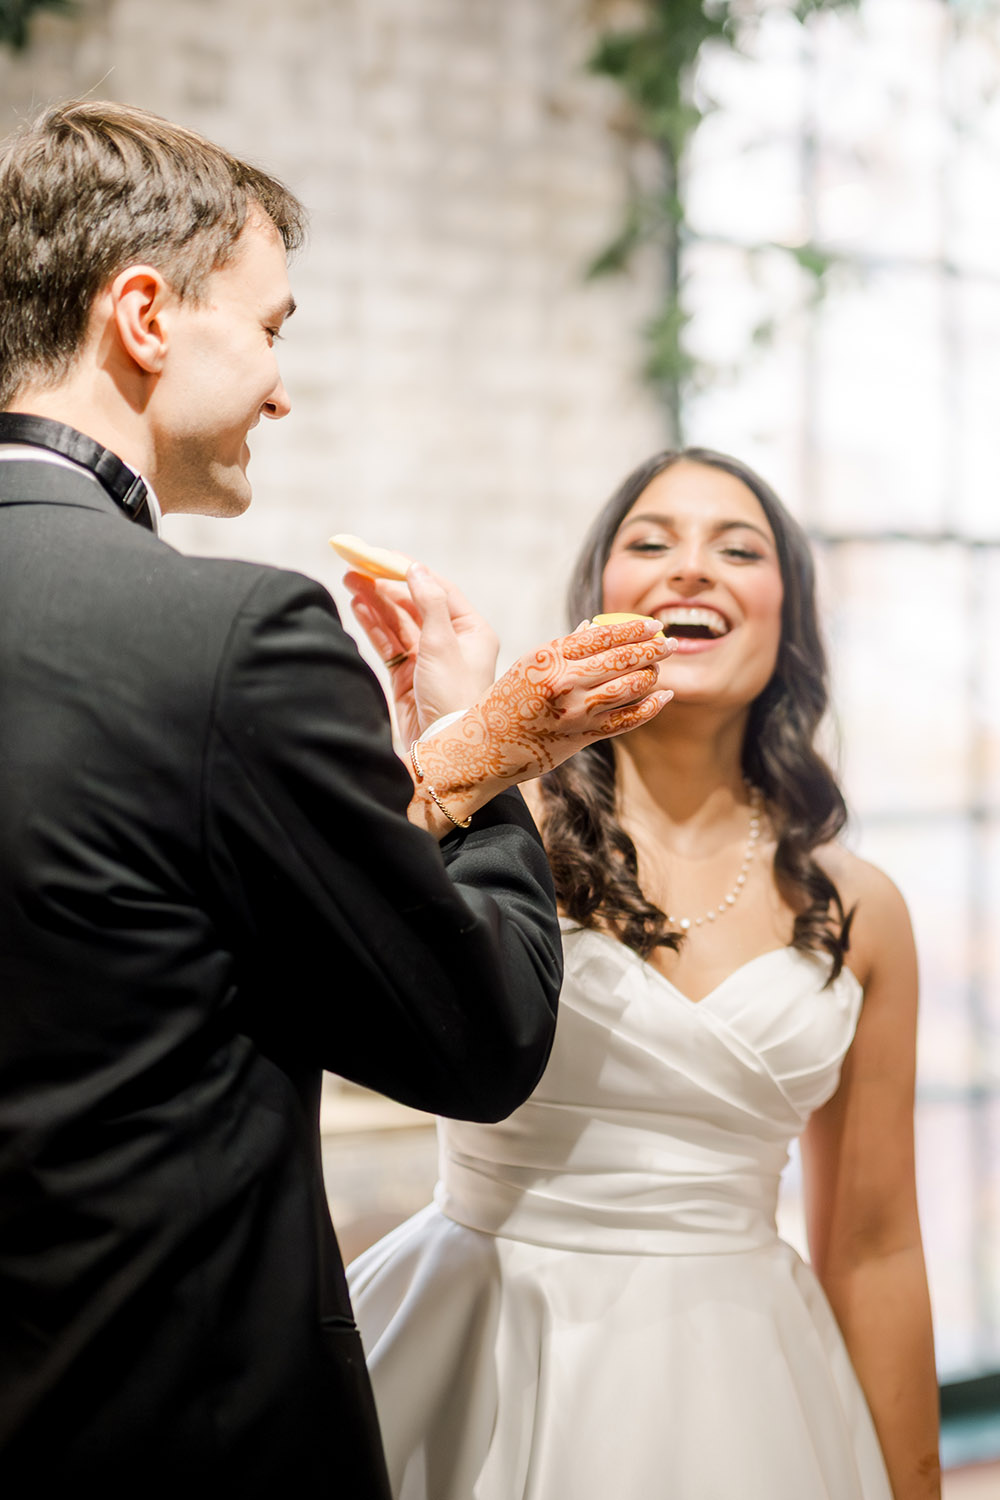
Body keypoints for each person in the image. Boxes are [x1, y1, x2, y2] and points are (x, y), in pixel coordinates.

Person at [0, 101, 674, 1498]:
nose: (281, 387)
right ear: (143, 316)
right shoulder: (231, 638)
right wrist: (484, 762)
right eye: (269, 330)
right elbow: (475, 1041)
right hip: (178, 1429)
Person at [347, 448, 941, 1499]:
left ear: (787, 618)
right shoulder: (496, 817)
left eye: (738, 548)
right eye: (651, 543)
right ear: (597, 605)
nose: (691, 569)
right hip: (486, 1332)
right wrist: (457, 745)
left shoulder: (860, 907)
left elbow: (877, 1246)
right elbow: (323, 934)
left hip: (749, 1379)